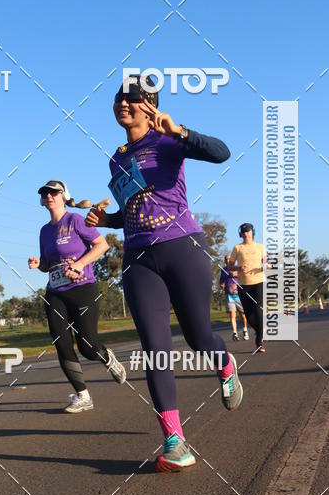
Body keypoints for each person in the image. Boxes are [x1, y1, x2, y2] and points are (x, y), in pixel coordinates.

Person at [86, 76, 240, 473]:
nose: (124, 103)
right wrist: (107, 220)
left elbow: (222, 153)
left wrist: (181, 131)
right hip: (138, 258)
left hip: (182, 247)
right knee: (155, 349)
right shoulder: (117, 158)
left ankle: (224, 363)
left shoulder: (168, 139)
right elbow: (132, 208)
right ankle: (175, 441)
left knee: (198, 337)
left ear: (150, 105)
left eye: (133, 98)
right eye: (119, 98)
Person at [28, 179, 126, 413]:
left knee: (87, 346)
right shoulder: (44, 231)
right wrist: (39, 264)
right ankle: (83, 395)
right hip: (55, 293)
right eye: (45, 193)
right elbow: (48, 264)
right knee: (61, 344)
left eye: (54, 192)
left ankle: (107, 357)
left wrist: (80, 264)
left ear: (64, 196)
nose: (49, 196)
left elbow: (101, 245)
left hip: (83, 289)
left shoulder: (75, 220)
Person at [229, 224, 266, 353]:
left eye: (248, 231)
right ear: (241, 234)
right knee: (248, 314)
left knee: (258, 309)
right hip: (243, 285)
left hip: (259, 282)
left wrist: (267, 265)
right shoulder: (237, 248)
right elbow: (230, 266)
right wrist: (239, 268)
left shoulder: (260, 247)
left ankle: (259, 341)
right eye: (243, 231)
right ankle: (260, 330)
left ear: (252, 232)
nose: (246, 233)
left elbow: (266, 262)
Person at [220, 254, 249, 341]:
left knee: (243, 314)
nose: (228, 260)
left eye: (229, 259)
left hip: (239, 295)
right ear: (225, 261)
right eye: (226, 259)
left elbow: (245, 276)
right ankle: (235, 333)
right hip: (229, 295)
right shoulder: (223, 270)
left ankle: (245, 330)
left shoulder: (237, 268)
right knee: (232, 315)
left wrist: (235, 273)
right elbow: (221, 281)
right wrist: (222, 284)